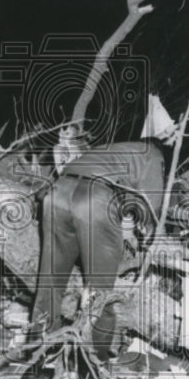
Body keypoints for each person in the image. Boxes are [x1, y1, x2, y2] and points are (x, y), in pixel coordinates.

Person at [30, 139, 166, 358]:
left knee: (50, 280)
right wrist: (152, 236)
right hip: (94, 198)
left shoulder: (112, 149)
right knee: (99, 290)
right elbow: (152, 203)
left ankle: (37, 351)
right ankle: (95, 361)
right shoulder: (153, 153)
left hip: (57, 193)